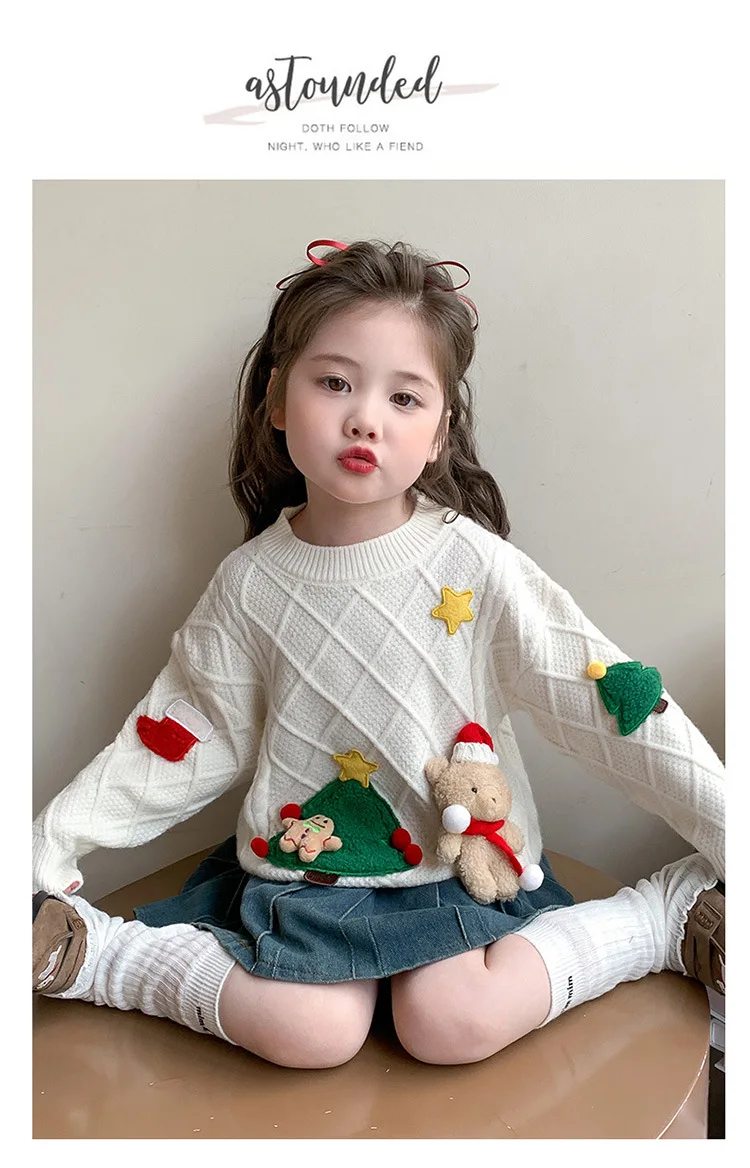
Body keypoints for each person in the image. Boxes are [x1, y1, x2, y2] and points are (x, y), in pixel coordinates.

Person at [32, 238, 725, 1069]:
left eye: (404, 397)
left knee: (452, 1024)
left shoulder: (477, 565)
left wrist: (729, 828)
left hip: (460, 870)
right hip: (309, 873)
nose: (366, 418)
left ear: (438, 434)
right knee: (308, 1034)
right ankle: (91, 955)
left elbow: (604, 698)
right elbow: (182, 734)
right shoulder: (250, 583)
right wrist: (45, 848)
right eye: (335, 383)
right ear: (276, 401)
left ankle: (666, 919)